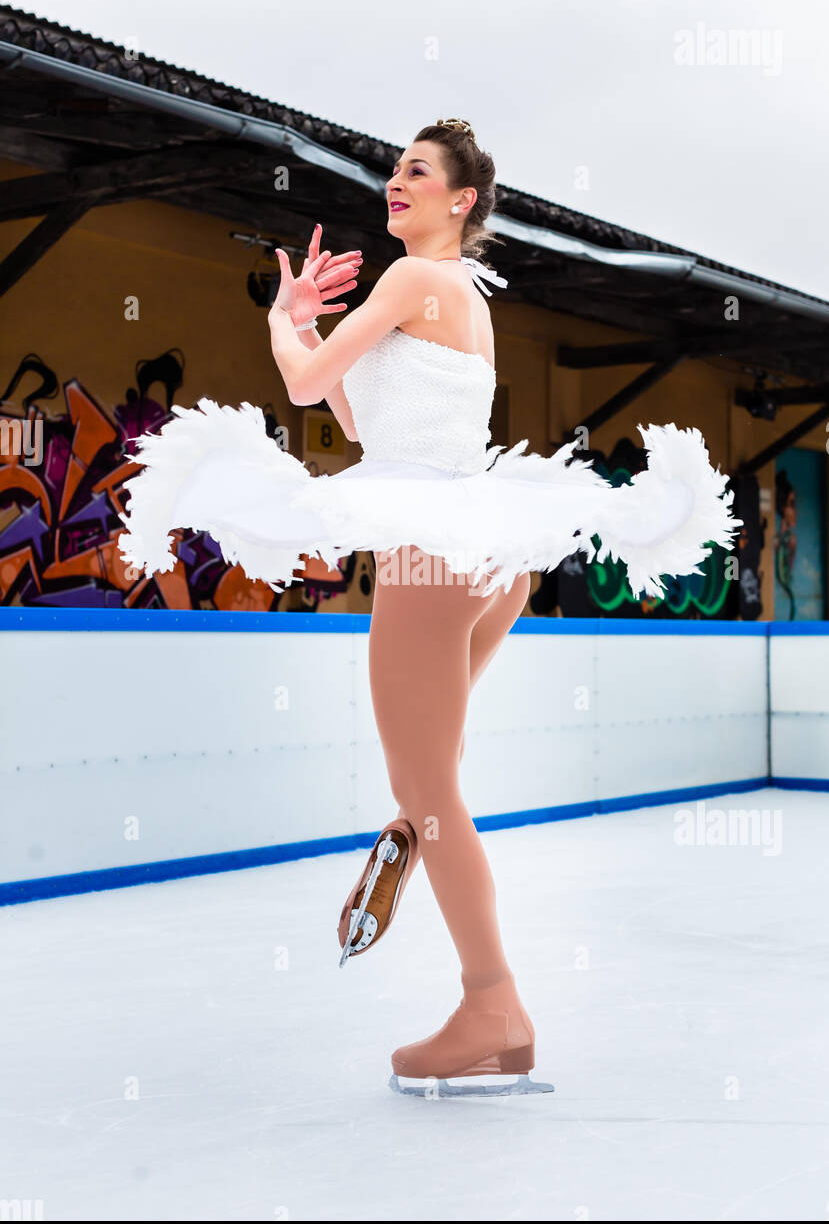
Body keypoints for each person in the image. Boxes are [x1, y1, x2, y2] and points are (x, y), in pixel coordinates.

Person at [118, 117, 739, 1097]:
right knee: (430, 773)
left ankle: (491, 1004)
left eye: (415, 172)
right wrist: (312, 331)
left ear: (460, 201)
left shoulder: (412, 280)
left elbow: (307, 383)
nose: (393, 183)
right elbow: (365, 421)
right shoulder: (458, 301)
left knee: (429, 782)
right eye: (392, 170)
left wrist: (286, 321)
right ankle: (413, 835)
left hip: (433, 554)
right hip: (491, 555)